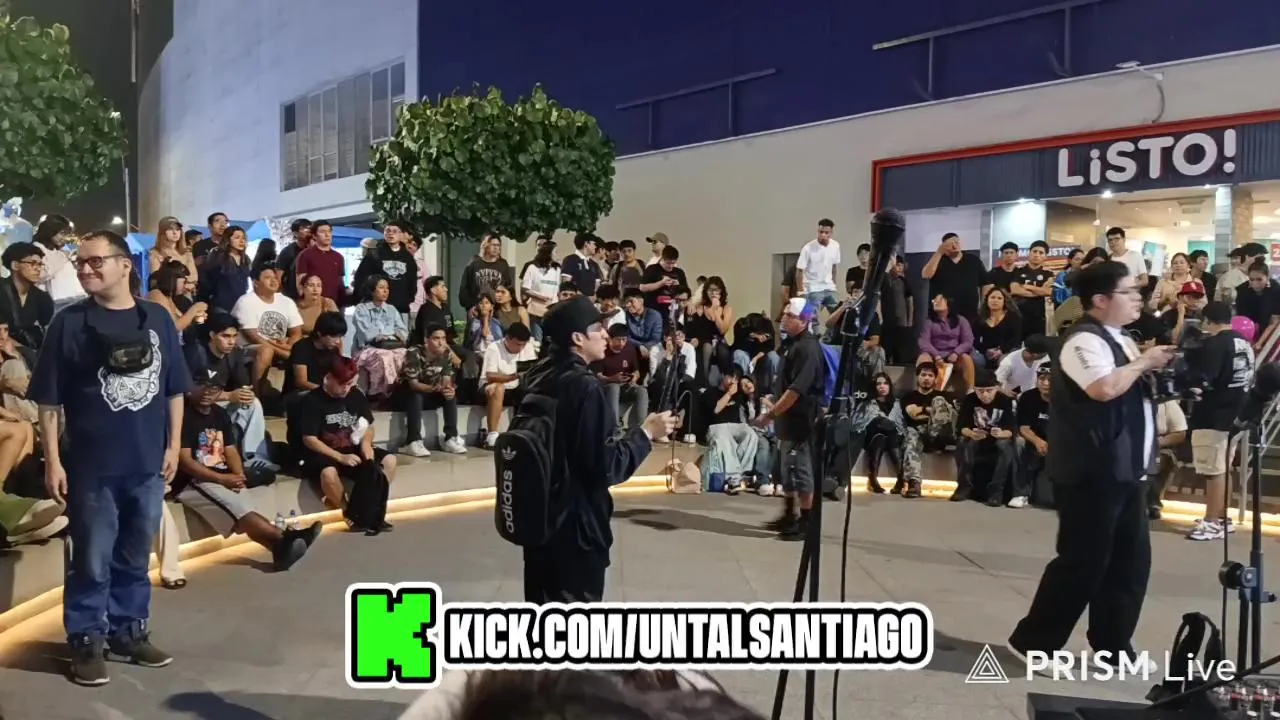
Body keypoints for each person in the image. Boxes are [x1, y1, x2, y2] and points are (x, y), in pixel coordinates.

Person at [30, 230, 191, 686]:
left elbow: (174, 389)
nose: (85, 269)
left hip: (147, 462)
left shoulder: (157, 319)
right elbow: (48, 401)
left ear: (124, 265)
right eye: (80, 263)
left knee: (135, 555)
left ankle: (129, 631)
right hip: (91, 466)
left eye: (95, 261)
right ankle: (86, 637)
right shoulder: (68, 323)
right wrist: (53, 460)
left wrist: (173, 446)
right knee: (92, 558)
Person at [1008, 261, 1176, 673]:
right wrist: (1143, 363)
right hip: (1092, 470)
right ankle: (1033, 643)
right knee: (1082, 562)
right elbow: (1102, 388)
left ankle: (1112, 647)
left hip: (1127, 471)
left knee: (1129, 565)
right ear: (1100, 300)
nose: (1138, 298)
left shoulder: (1122, 338)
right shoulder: (1082, 339)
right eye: (1128, 292)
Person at [519, 295, 676, 602]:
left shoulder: (536, 378)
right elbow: (607, 466)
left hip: (540, 526)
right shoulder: (584, 387)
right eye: (597, 328)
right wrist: (646, 433)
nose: (606, 334)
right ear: (577, 338)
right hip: (576, 531)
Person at [174, 366, 319, 571]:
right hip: (192, 481)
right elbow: (185, 461)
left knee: (246, 508)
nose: (207, 392)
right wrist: (222, 479)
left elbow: (230, 449)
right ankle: (285, 538)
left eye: (213, 388)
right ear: (190, 387)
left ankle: (280, 549)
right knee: (242, 512)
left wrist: (238, 474)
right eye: (202, 386)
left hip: (221, 474)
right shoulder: (183, 416)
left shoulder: (219, 414)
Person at [295, 356, 398, 534]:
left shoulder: (355, 395)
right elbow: (310, 439)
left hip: (353, 446)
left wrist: (366, 444)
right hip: (324, 451)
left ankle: (371, 509)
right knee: (328, 473)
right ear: (329, 378)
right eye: (342, 384)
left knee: (389, 461)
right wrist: (340, 457)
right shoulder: (312, 401)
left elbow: (368, 426)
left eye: (350, 384)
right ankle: (349, 512)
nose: (346, 389)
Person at [755, 298, 826, 540]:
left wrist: (770, 414)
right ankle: (789, 515)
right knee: (787, 470)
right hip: (788, 421)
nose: (783, 318)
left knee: (801, 471)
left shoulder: (808, 349)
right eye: (784, 314)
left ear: (804, 321)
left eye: (789, 315)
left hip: (801, 422)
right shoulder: (792, 344)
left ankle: (806, 522)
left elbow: (796, 390)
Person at [1186, 301, 1255, 540]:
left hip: (1213, 415)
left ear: (1208, 321)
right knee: (1223, 468)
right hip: (1235, 413)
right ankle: (1223, 518)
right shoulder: (1244, 343)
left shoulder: (1215, 344)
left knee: (1213, 471)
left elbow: (1204, 380)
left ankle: (1212, 522)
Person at [953, 370, 1017, 505]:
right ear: (975, 390)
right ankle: (964, 487)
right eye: (980, 391)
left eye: (989, 391)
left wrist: (1001, 434)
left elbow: (1011, 431)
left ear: (996, 388)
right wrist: (972, 433)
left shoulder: (1004, 401)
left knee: (1005, 445)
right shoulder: (970, 400)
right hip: (976, 438)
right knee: (965, 443)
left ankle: (996, 491)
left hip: (998, 438)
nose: (985, 395)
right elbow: (961, 427)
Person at [1016, 363, 1055, 508]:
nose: (1045, 383)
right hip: (1034, 441)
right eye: (1042, 379)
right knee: (1019, 443)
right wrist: (1038, 441)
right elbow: (1024, 427)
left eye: (1050, 380)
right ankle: (1021, 493)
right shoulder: (1028, 397)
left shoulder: (1067, 399)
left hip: (1060, 443)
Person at [794, 219, 841, 330]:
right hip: (813, 287)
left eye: (826, 232)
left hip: (829, 287)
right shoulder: (808, 248)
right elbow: (799, 271)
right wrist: (801, 292)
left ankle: (832, 337)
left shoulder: (835, 246)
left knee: (839, 315)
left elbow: (834, 266)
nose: (823, 235)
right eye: (821, 232)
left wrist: (834, 285)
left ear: (831, 233)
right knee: (811, 318)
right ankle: (813, 338)